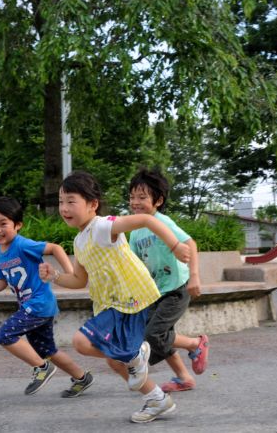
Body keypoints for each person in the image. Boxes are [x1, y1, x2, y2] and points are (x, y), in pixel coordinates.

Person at [38, 171, 191, 423]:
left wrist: (174, 246)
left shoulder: (103, 226)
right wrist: (53, 276)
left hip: (128, 300)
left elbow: (146, 220)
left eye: (71, 201)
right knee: (112, 359)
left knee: (81, 342)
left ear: (93, 204)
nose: (64, 208)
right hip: (110, 303)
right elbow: (79, 280)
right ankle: (156, 399)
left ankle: (133, 354)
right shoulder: (79, 240)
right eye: (61, 202)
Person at [0, 196, 94, 398]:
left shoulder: (22, 245)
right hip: (32, 306)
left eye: (3, 224)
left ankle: (42, 368)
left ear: (17, 225)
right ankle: (81, 377)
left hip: (39, 304)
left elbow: (55, 248)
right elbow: (2, 281)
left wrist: (70, 273)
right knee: (48, 350)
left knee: (5, 335)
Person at [127, 168, 209, 392]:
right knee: (158, 335)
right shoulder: (134, 231)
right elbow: (136, 265)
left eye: (142, 197)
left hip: (176, 289)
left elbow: (190, 244)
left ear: (158, 201)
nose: (135, 202)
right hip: (156, 292)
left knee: (153, 335)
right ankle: (184, 377)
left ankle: (195, 344)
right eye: (132, 197)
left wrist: (194, 277)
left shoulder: (161, 221)